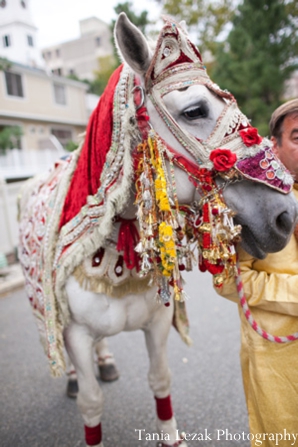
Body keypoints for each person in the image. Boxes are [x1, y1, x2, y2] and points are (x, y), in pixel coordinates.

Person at [215, 98, 298, 444]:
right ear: (274, 146)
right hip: (278, 361)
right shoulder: (250, 203)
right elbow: (229, 281)